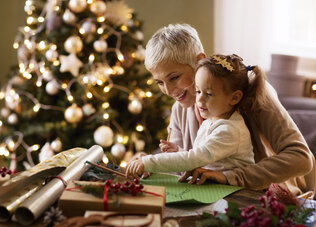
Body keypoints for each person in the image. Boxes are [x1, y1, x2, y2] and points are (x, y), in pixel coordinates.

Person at [125, 24, 316, 197]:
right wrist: (150, 163)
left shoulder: (254, 92)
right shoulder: (180, 108)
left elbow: (300, 158)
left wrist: (230, 177)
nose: (167, 90)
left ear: (199, 61)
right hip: (218, 198)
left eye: (174, 77)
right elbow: (181, 164)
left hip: (269, 198)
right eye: (159, 82)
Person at [126, 54, 265, 178]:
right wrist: (178, 151)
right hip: (214, 189)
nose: (199, 100)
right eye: (198, 91)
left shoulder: (230, 130)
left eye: (209, 94)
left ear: (234, 98)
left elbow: (195, 158)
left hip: (237, 194)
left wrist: (147, 162)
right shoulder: (210, 121)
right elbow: (200, 157)